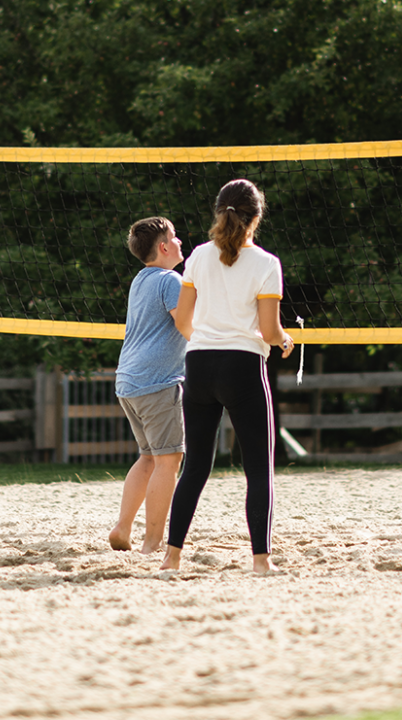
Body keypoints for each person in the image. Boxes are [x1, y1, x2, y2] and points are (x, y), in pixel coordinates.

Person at [162, 179, 294, 575]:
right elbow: (270, 332)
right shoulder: (267, 264)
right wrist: (285, 340)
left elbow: (183, 319)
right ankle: (260, 562)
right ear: (256, 218)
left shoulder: (199, 256)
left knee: (196, 466)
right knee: (257, 467)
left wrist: (206, 340)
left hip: (199, 363)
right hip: (242, 366)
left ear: (219, 212)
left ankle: (171, 558)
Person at [109, 216, 188, 554]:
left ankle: (122, 528)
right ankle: (152, 542)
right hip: (157, 382)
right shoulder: (170, 280)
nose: (181, 240)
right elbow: (187, 325)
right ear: (164, 246)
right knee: (169, 460)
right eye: (175, 236)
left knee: (148, 458)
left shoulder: (141, 279)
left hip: (127, 380)